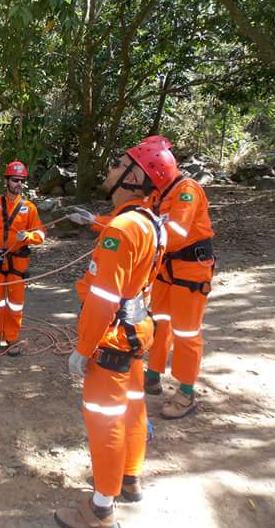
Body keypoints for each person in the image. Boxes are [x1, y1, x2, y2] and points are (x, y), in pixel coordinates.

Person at [55, 144, 167, 528]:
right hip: (137, 334)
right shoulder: (150, 220)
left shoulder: (123, 229)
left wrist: (83, 349)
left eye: (119, 164)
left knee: (106, 422)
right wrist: (95, 222)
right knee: (133, 409)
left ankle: (101, 509)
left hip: (112, 340)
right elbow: (128, 238)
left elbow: (103, 299)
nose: (111, 167)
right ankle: (130, 479)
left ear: (133, 178)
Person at [70, 136, 215, 420]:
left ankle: (186, 392)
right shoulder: (155, 195)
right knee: (161, 323)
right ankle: (153, 375)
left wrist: (134, 241)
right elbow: (134, 222)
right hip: (164, 269)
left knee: (186, 332)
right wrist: (94, 221)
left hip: (190, 270)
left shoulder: (187, 190)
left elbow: (174, 233)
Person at [0, 160, 45, 355]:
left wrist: (29, 236)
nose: (18, 184)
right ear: (6, 181)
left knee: (15, 303)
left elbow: (41, 234)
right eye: (15, 180)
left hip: (18, 262)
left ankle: (13, 339)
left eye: (21, 181)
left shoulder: (29, 208)